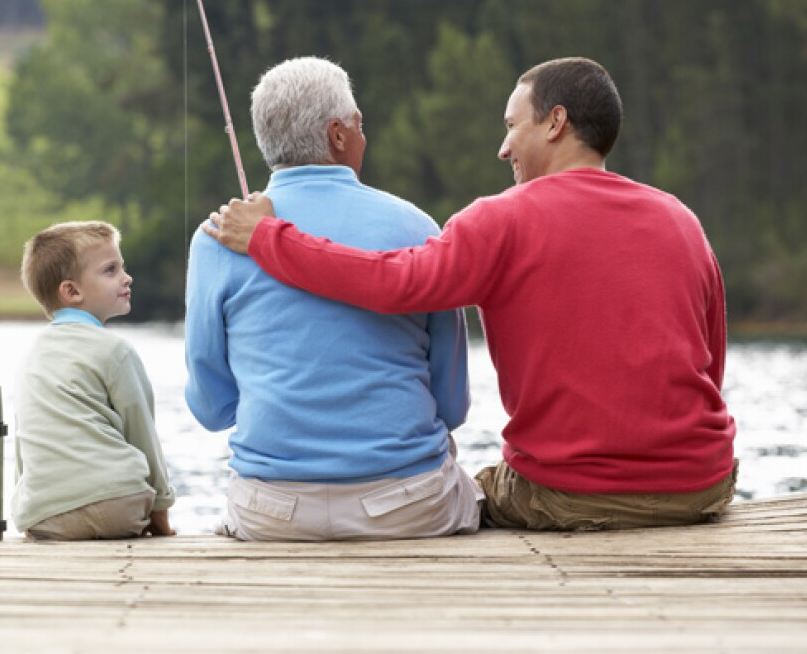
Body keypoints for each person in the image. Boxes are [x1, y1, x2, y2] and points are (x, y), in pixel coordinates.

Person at [205, 57, 737, 532]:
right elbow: (710, 364)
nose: (503, 147)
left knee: (479, 492)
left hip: (570, 496)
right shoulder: (680, 218)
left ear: (556, 123)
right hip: (702, 486)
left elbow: (396, 282)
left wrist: (268, 238)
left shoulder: (503, 219)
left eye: (511, 126)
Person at [185, 56, 482, 542]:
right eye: (360, 125)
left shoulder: (215, 239)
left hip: (273, 512)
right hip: (407, 507)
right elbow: (452, 405)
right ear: (338, 135)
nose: (365, 136)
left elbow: (212, 408)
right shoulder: (417, 228)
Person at [12, 221, 177, 540]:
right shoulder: (116, 351)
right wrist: (161, 513)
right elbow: (142, 434)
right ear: (72, 291)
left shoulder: (31, 355)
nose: (127, 277)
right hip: (117, 505)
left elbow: (25, 441)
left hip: (46, 515)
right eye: (111, 270)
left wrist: (29, 507)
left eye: (123, 268)